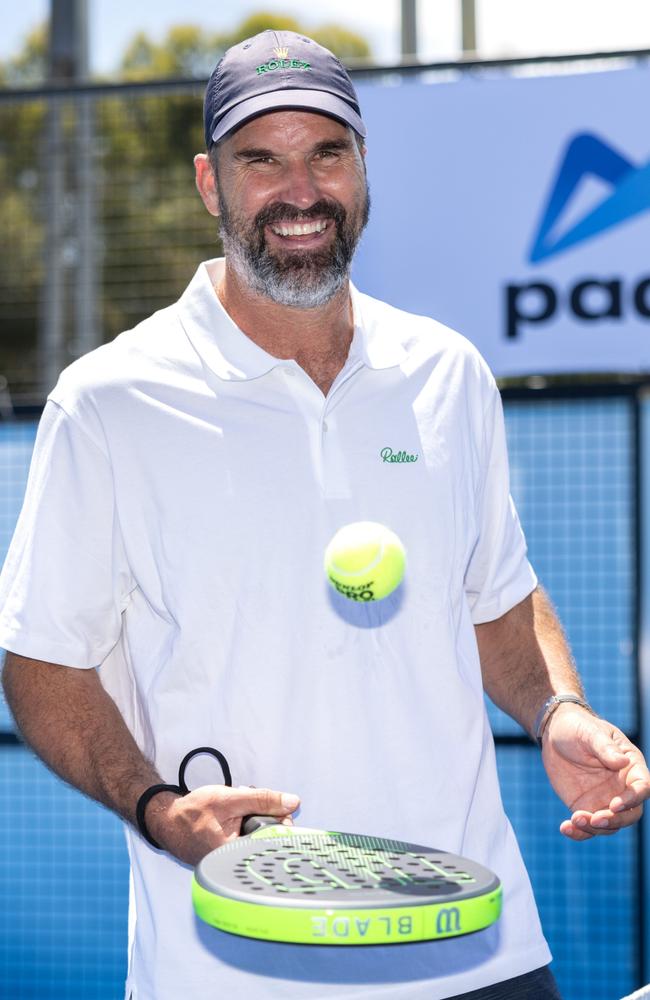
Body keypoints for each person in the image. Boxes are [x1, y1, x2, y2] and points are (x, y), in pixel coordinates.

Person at [1, 28, 648, 1000]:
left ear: (361, 168)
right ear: (209, 183)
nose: (298, 191)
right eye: (260, 159)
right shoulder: (109, 402)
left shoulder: (448, 373)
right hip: (230, 968)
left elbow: (493, 597)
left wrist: (554, 710)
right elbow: (41, 662)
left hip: (476, 943)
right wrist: (157, 806)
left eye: (325, 153)